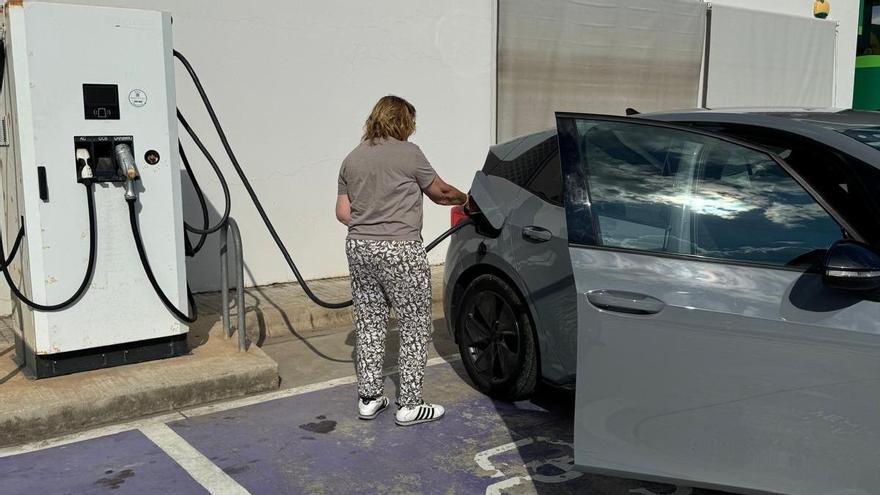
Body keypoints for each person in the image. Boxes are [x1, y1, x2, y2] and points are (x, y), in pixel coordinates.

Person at [335, 95, 468, 426]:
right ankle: (409, 403)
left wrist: (371, 218)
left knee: (369, 322)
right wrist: (467, 199)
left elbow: (343, 213)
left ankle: (369, 398)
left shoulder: (352, 158)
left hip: (359, 248)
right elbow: (440, 193)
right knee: (414, 323)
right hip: (401, 250)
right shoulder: (410, 152)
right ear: (403, 121)